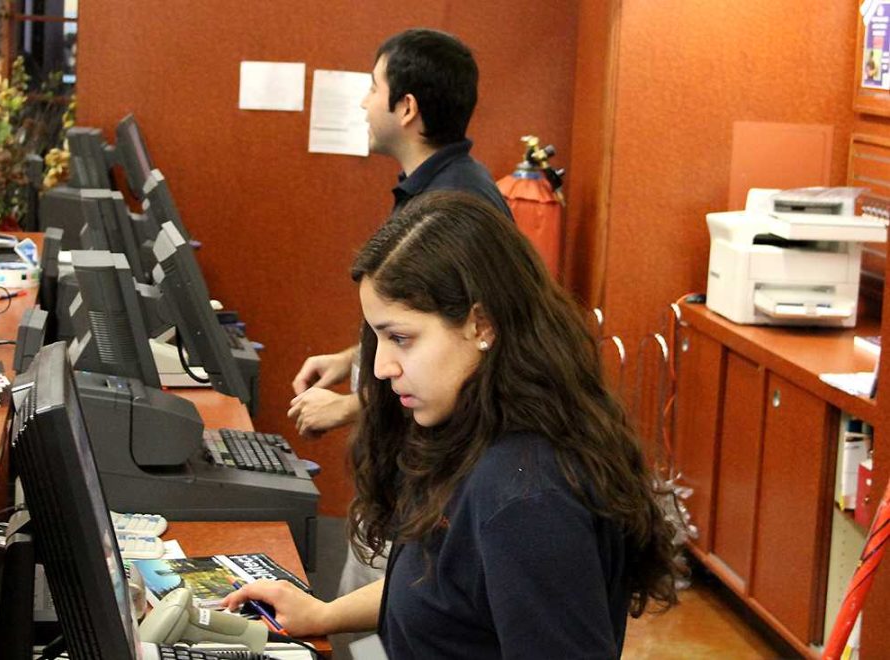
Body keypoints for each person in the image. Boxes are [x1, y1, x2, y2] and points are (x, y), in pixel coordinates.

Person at [226, 191, 680, 658]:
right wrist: (324, 614)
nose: (381, 367)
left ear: (482, 325)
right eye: (378, 338)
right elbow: (444, 587)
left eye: (401, 338)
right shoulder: (472, 432)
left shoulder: (528, 501)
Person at [287, 27, 512, 441]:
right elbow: (427, 318)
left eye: (374, 88)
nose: (363, 103)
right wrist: (352, 358)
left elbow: (467, 351)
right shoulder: (434, 187)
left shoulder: (453, 204)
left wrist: (351, 405)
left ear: (406, 108)